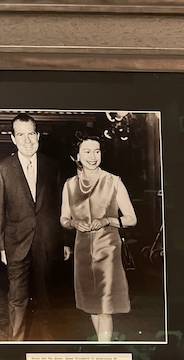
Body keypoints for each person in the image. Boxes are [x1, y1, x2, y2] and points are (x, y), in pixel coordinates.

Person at [0, 113, 69, 341]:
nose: (27, 140)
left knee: (47, 297)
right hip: (16, 244)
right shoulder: (2, 169)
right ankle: (17, 343)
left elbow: (61, 207)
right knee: (17, 298)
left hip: (47, 241)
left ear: (38, 136)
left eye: (31, 134)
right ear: (13, 139)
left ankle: (49, 346)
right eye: (21, 135)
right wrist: (2, 247)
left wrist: (64, 241)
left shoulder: (52, 166)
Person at [60, 133, 137, 342]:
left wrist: (107, 220)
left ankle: (105, 349)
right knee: (91, 307)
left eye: (97, 151)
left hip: (108, 251)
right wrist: (74, 223)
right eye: (87, 151)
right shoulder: (69, 185)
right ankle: (103, 344)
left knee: (104, 307)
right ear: (77, 155)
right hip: (83, 252)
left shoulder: (113, 181)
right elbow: (64, 219)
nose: (93, 156)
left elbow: (131, 219)